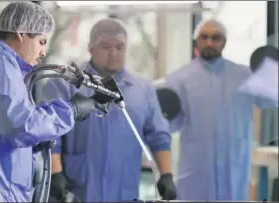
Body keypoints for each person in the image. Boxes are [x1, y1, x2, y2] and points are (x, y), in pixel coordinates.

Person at [0, 2, 105, 202]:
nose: (43, 52)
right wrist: (71, 111)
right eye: (41, 42)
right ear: (21, 32)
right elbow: (21, 125)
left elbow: (5, 129)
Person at [42, 18, 177, 202]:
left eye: (120, 47)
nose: (114, 53)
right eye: (105, 47)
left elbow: (159, 137)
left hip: (125, 190)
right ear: (91, 48)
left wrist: (166, 175)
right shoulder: (65, 84)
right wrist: (55, 174)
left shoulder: (142, 90)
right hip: (76, 191)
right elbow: (51, 134)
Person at [159, 19, 278, 200]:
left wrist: (271, 71)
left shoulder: (244, 76)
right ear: (196, 41)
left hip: (234, 167)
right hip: (197, 169)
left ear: (224, 42)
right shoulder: (178, 79)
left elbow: (270, 99)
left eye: (216, 38)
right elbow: (169, 123)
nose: (209, 42)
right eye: (204, 37)